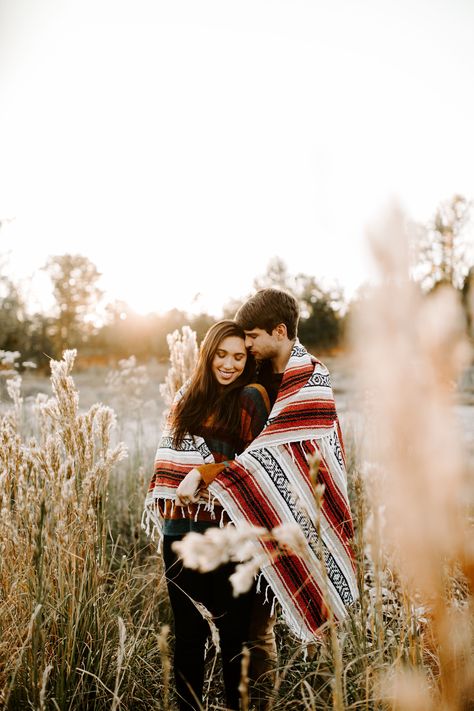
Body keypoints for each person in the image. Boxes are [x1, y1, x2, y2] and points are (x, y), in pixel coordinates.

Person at [177, 288, 359, 702]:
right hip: (248, 509)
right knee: (244, 623)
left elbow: (280, 453)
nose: (247, 344)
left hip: (292, 515)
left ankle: (263, 702)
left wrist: (206, 473)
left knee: (259, 628)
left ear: (279, 331)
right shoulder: (256, 375)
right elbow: (243, 446)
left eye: (253, 336)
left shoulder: (311, 378)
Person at [144, 320, 270, 711]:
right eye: (222, 355)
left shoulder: (250, 399)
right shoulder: (187, 398)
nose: (229, 364)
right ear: (208, 354)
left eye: (238, 357)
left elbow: (259, 465)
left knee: (234, 641)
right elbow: (166, 464)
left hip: (228, 537)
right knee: (188, 640)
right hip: (179, 534)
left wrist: (203, 472)